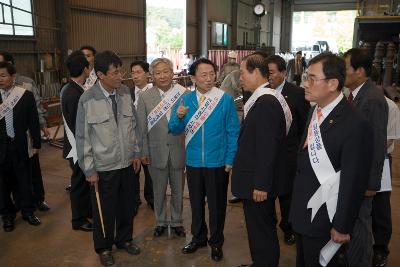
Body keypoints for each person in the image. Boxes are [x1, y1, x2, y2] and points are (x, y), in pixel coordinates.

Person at [289, 53, 374, 267]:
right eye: (305, 77)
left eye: (311, 78)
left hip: (326, 218)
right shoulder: (316, 110)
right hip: (303, 211)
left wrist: (342, 226)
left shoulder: (355, 124)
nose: (305, 84)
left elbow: (353, 180)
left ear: (333, 83)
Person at [169, 58, 240, 262]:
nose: (209, 79)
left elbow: (233, 131)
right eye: (204, 75)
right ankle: (198, 238)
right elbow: (174, 129)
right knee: (196, 203)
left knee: (217, 206)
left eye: (212, 74)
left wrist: (230, 158)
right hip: (193, 162)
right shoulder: (185, 100)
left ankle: (216, 243)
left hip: (217, 162)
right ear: (193, 78)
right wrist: (179, 117)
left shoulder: (224, 99)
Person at [76, 51, 142, 266]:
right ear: (101, 75)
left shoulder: (124, 92)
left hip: (127, 162)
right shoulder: (87, 99)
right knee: (105, 209)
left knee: (126, 205)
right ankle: (104, 247)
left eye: (120, 71)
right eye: (115, 72)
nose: (120, 76)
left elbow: (133, 126)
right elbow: (83, 137)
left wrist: (136, 152)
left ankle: (124, 239)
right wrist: (89, 170)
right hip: (104, 166)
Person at [231, 53, 292, 267]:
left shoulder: (266, 102)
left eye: (242, 73)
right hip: (258, 180)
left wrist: (261, 184)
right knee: (259, 228)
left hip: (259, 184)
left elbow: (268, 148)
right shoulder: (265, 98)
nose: (240, 78)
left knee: (262, 230)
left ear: (256, 72)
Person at [343, 48, 388, 267]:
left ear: (360, 71)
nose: (343, 74)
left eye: (346, 69)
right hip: (352, 173)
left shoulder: (373, 98)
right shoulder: (355, 95)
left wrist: (372, 182)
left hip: (363, 179)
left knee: (361, 224)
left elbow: (378, 144)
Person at [137, 57, 186, 238]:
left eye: (166, 71)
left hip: (178, 150)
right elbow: (141, 128)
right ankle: (160, 221)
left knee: (178, 190)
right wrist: (143, 151)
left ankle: (177, 221)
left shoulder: (184, 94)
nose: (163, 76)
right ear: (152, 76)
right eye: (158, 73)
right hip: (155, 151)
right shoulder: (145, 97)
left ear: (172, 73)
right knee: (158, 190)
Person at [266, 55, 310, 245]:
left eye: (271, 73)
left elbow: (303, 125)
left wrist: (298, 151)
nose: (268, 77)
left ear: (283, 73)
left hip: (288, 155)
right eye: (265, 73)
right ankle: (268, 226)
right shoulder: (260, 92)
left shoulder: (297, 93)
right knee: (266, 193)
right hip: (266, 155)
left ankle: (288, 227)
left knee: (287, 194)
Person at [0, 51, 50, 211]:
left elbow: (36, 107)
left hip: (25, 139)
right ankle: (13, 207)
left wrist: (41, 128)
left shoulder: (26, 84)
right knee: (8, 177)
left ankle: (37, 200)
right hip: (5, 141)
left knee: (30, 173)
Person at [61, 51, 93, 232]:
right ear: (85, 69)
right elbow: (76, 125)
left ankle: (86, 212)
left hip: (76, 145)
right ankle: (78, 219)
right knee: (79, 183)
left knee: (82, 182)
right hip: (76, 146)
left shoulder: (71, 88)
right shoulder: (74, 93)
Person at [371, 95, 400, 267]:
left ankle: (380, 249)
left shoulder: (390, 106)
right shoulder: (349, 99)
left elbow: (390, 138)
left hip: (381, 159)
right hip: (355, 160)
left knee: (380, 207)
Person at [130, 60, 154, 214]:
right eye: (132, 72)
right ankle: (134, 201)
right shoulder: (126, 93)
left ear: (147, 74)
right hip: (132, 140)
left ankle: (151, 199)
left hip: (149, 140)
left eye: (138, 72)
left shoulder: (154, 93)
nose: (134, 76)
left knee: (150, 173)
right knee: (133, 173)